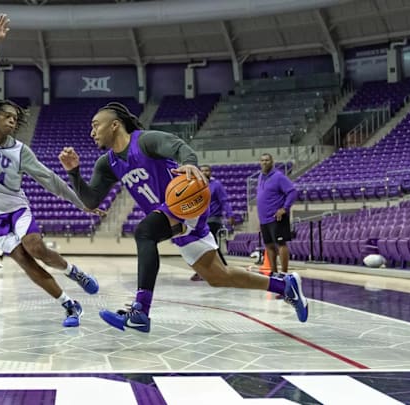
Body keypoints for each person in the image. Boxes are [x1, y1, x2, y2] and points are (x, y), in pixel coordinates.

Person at [59, 102, 308, 333]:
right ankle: (284, 286)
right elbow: (91, 200)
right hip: (173, 218)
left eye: (96, 125)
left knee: (144, 232)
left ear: (114, 124)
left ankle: (140, 312)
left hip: (187, 205)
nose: (92, 132)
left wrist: (189, 163)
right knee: (218, 276)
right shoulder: (107, 163)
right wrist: (74, 173)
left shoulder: (145, 141)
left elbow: (178, 147)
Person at [0, 14, 99, 327]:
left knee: (36, 247)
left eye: (16, 118)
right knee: (24, 262)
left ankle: (73, 272)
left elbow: (50, 180)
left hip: (15, 208)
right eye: (7, 115)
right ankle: (69, 305)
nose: (12, 120)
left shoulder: (19, 150)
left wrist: (83, 204)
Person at [190, 164, 234, 281]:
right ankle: (206, 270)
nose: (204, 172)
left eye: (207, 170)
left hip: (213, 218)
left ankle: (222, 268)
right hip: (199, 219)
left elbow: (224, 200)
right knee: (202, 245)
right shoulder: (196, 185)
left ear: (211, 172)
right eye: (202, 170)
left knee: (209, 244)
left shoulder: (216, 185)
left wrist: (230, 214)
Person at [257, 153, 297, 276]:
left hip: (277, 217)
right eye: (262, 160)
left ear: (272, 161)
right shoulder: (260, 176)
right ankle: (273, 272)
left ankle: (284, 273)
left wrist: (284, 208)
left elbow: (292, 192)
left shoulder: (278, 176)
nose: (264, 162)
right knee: (268, 245)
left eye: (267, 160)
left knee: (281, 243)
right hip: (264, 218)